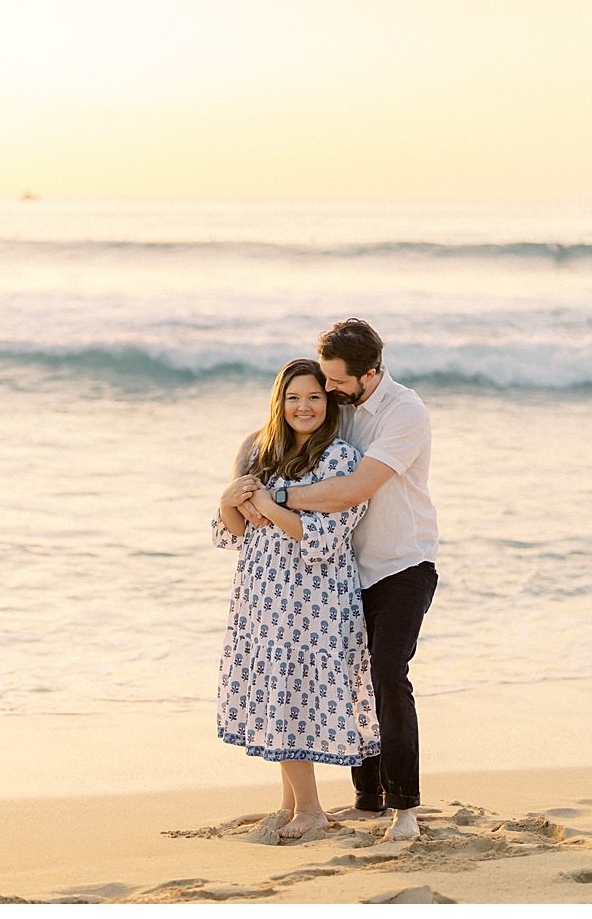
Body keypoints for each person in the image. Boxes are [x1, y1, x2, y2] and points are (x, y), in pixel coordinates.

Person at [230, 319, 437, 844]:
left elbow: (352, 490)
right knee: (354, 679)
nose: (329, 394)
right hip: (346, 574)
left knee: (388, 673)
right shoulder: (338, 404)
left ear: (370, 373)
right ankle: (367, 798)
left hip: (399, 563)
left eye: (336, 384)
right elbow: (287, 425)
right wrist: (241, 480)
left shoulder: (403, 413)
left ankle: (404, 808)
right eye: (326, 382)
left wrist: (273, 498)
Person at [213, 358, 378, 840]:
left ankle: (311, 808)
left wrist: (266, 504)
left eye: (314, 397)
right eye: (293, 398)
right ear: (279, 403)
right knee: (277, 688)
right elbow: (235, 534)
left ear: (328, 404)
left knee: (295, 692)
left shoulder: (342, 460)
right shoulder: (262, 454)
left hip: (313, 594)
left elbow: (324, 538)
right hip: (262, 592)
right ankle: (290, 803)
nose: (303, 407)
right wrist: (229, 501)